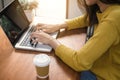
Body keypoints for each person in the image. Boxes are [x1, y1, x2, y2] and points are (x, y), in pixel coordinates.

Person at [30, 0, 120, 80]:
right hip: (97, 66)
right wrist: (59, 25)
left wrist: (51, 41)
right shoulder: (108, 9)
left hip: (102, 76)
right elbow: (87, 19)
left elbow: (79, 61)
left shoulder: (113, 20)